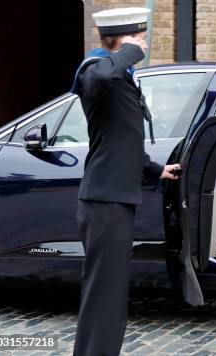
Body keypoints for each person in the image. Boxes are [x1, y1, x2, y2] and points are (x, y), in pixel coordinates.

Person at [70, 7, 184, 356]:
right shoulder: (97, 70)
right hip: (104, 201)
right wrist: (129, 51)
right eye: (140, 37)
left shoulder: (120, 76)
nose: (144, 43)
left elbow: (122, 138)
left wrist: (154, 169)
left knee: (111, 291)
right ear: (125, 38)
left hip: (114, 199)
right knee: (104, 292)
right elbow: (96, 78)